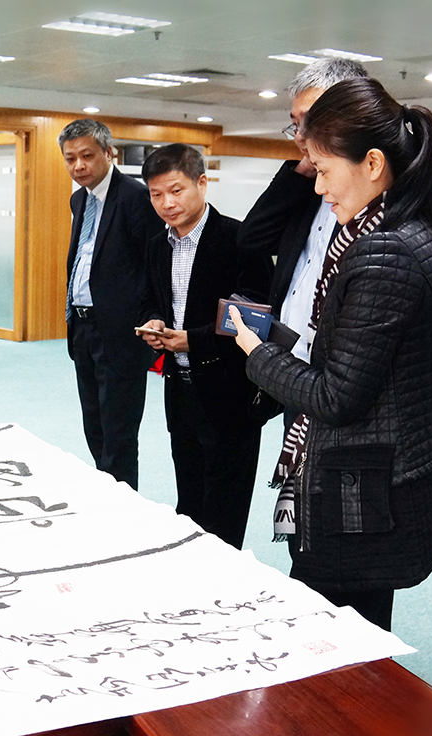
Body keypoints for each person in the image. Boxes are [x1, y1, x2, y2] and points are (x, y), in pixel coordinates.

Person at [227, 78, 432, 631]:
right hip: (383, 470)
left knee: (338, 631)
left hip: (361, 483)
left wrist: (257, 352)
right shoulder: (412, 231)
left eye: (324, 170)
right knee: (357, 623)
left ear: (372, 163)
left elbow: (336, 397)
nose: (319, 187)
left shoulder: (384, 252)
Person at [238, 58, 368, 540]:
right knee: (303, 512)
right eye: (294, 124)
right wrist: (303, 169)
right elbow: (252, 238)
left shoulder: (378, 202)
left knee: (342, 521)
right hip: (296, 368)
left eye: (310, 122)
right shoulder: (309, 187)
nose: (300, 134)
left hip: (342, 381)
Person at [135, 144, 273, 547]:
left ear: (202, 183)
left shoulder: (240, 238)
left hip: (231, 393)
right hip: (180, 391)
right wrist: (154, 321)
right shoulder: (157, 243)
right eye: (156, 194)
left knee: (225, 512)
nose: (166, 203)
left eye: (176, 190)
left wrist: (192, 340)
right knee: (189, 502)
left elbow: (256, 317)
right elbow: (151, 299)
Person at [59, 118, 159, 489]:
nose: (78, 166)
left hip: (120, 333)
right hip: (83, 327)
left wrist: (151, 317)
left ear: (108, 153)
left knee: (119, 433)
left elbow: (152, 266)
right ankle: (106, 492)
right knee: (95, 425)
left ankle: (123, 502)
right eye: (70, 158)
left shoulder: (135, 197)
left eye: (87, 156)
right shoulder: (79, 198)